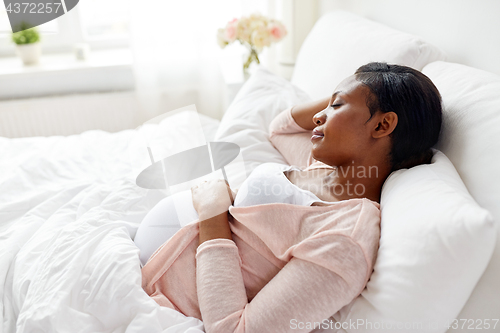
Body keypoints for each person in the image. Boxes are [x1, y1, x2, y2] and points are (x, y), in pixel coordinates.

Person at [135, 62, 442, 332]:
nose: (318, 117)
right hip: (143, 264)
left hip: (158, 297)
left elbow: (236, 329)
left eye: (336, 106)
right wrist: (361, 85)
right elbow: (280, 128)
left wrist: (213, 213)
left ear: (382, 124)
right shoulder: (322, 165)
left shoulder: (345, 238)